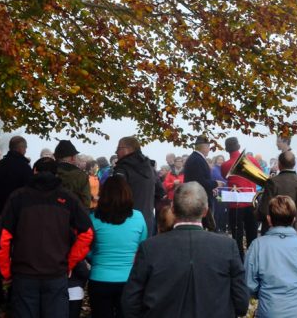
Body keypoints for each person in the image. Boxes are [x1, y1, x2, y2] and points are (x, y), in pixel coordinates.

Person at [122, 182, 249, 318]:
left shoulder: (150, 247)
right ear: (205, 211)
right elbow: (241, 303)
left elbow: (130, 301)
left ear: (173, 209)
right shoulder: (227, 246)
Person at [0, 157, 94, 318]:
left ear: (34, 171)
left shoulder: (18, 197)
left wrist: (6, 273)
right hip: (55, 273)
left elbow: (2, 239)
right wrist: (69, 263)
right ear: (56, 175)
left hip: (25, 274)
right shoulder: (68, 198)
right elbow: (87, 234)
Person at [244, 195, 297, 318]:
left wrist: (266, 294)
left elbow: (250, 284)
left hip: (271, 311)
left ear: (269, 219)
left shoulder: (258, 245)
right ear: (293, 219)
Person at [88, 176, 148, 318]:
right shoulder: (139, 217)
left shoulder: (93, 218)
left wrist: (95, 259)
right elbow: (142, 249)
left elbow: (86, 248)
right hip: (129, 280)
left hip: (99, 277)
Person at [0, 135, 34, 306]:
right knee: (18, 255)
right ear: (22, 148)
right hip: (20, 219)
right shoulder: (24, 168)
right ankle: (15, 293)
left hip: (1, 215)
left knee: (1, 252)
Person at [112, 136, 161, 235]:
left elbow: (116, 195)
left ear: (128, 149)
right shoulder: (150, 167)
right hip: (148, 221)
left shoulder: (122, 168)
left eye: (118, 148)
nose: (116, 152)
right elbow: (160, 193)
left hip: (126, 221)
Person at [256, 151, 297, 235]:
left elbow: (264, 209)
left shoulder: (272, 182)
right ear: (294, 164)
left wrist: (255, 213)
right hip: (296, 229)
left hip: (273, 230)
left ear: (279, 164)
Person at [221, 137, 259, 260]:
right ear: (238, 146)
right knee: (252, 234)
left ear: (227, 149)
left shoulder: (225, 165)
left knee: (237, 236)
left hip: (235, 205)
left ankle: (239, 261)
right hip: (251, 202)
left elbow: (224, 176)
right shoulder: (252, 159)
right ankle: (253, 260)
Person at [183, 137, 217, 230]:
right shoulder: (197, 160)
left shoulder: (196, 158)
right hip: (198, 200)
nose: (209, 149)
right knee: (202, 227)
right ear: (204, 147)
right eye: (208, 146)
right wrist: (216, 183)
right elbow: (200, 182)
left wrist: (211, 188)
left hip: (197, 197)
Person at [54, 140, 92, 208]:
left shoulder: (49, 171)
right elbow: (86, 202)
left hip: (51, 214)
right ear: (72, 158)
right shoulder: (81, 175)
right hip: (74, 215)